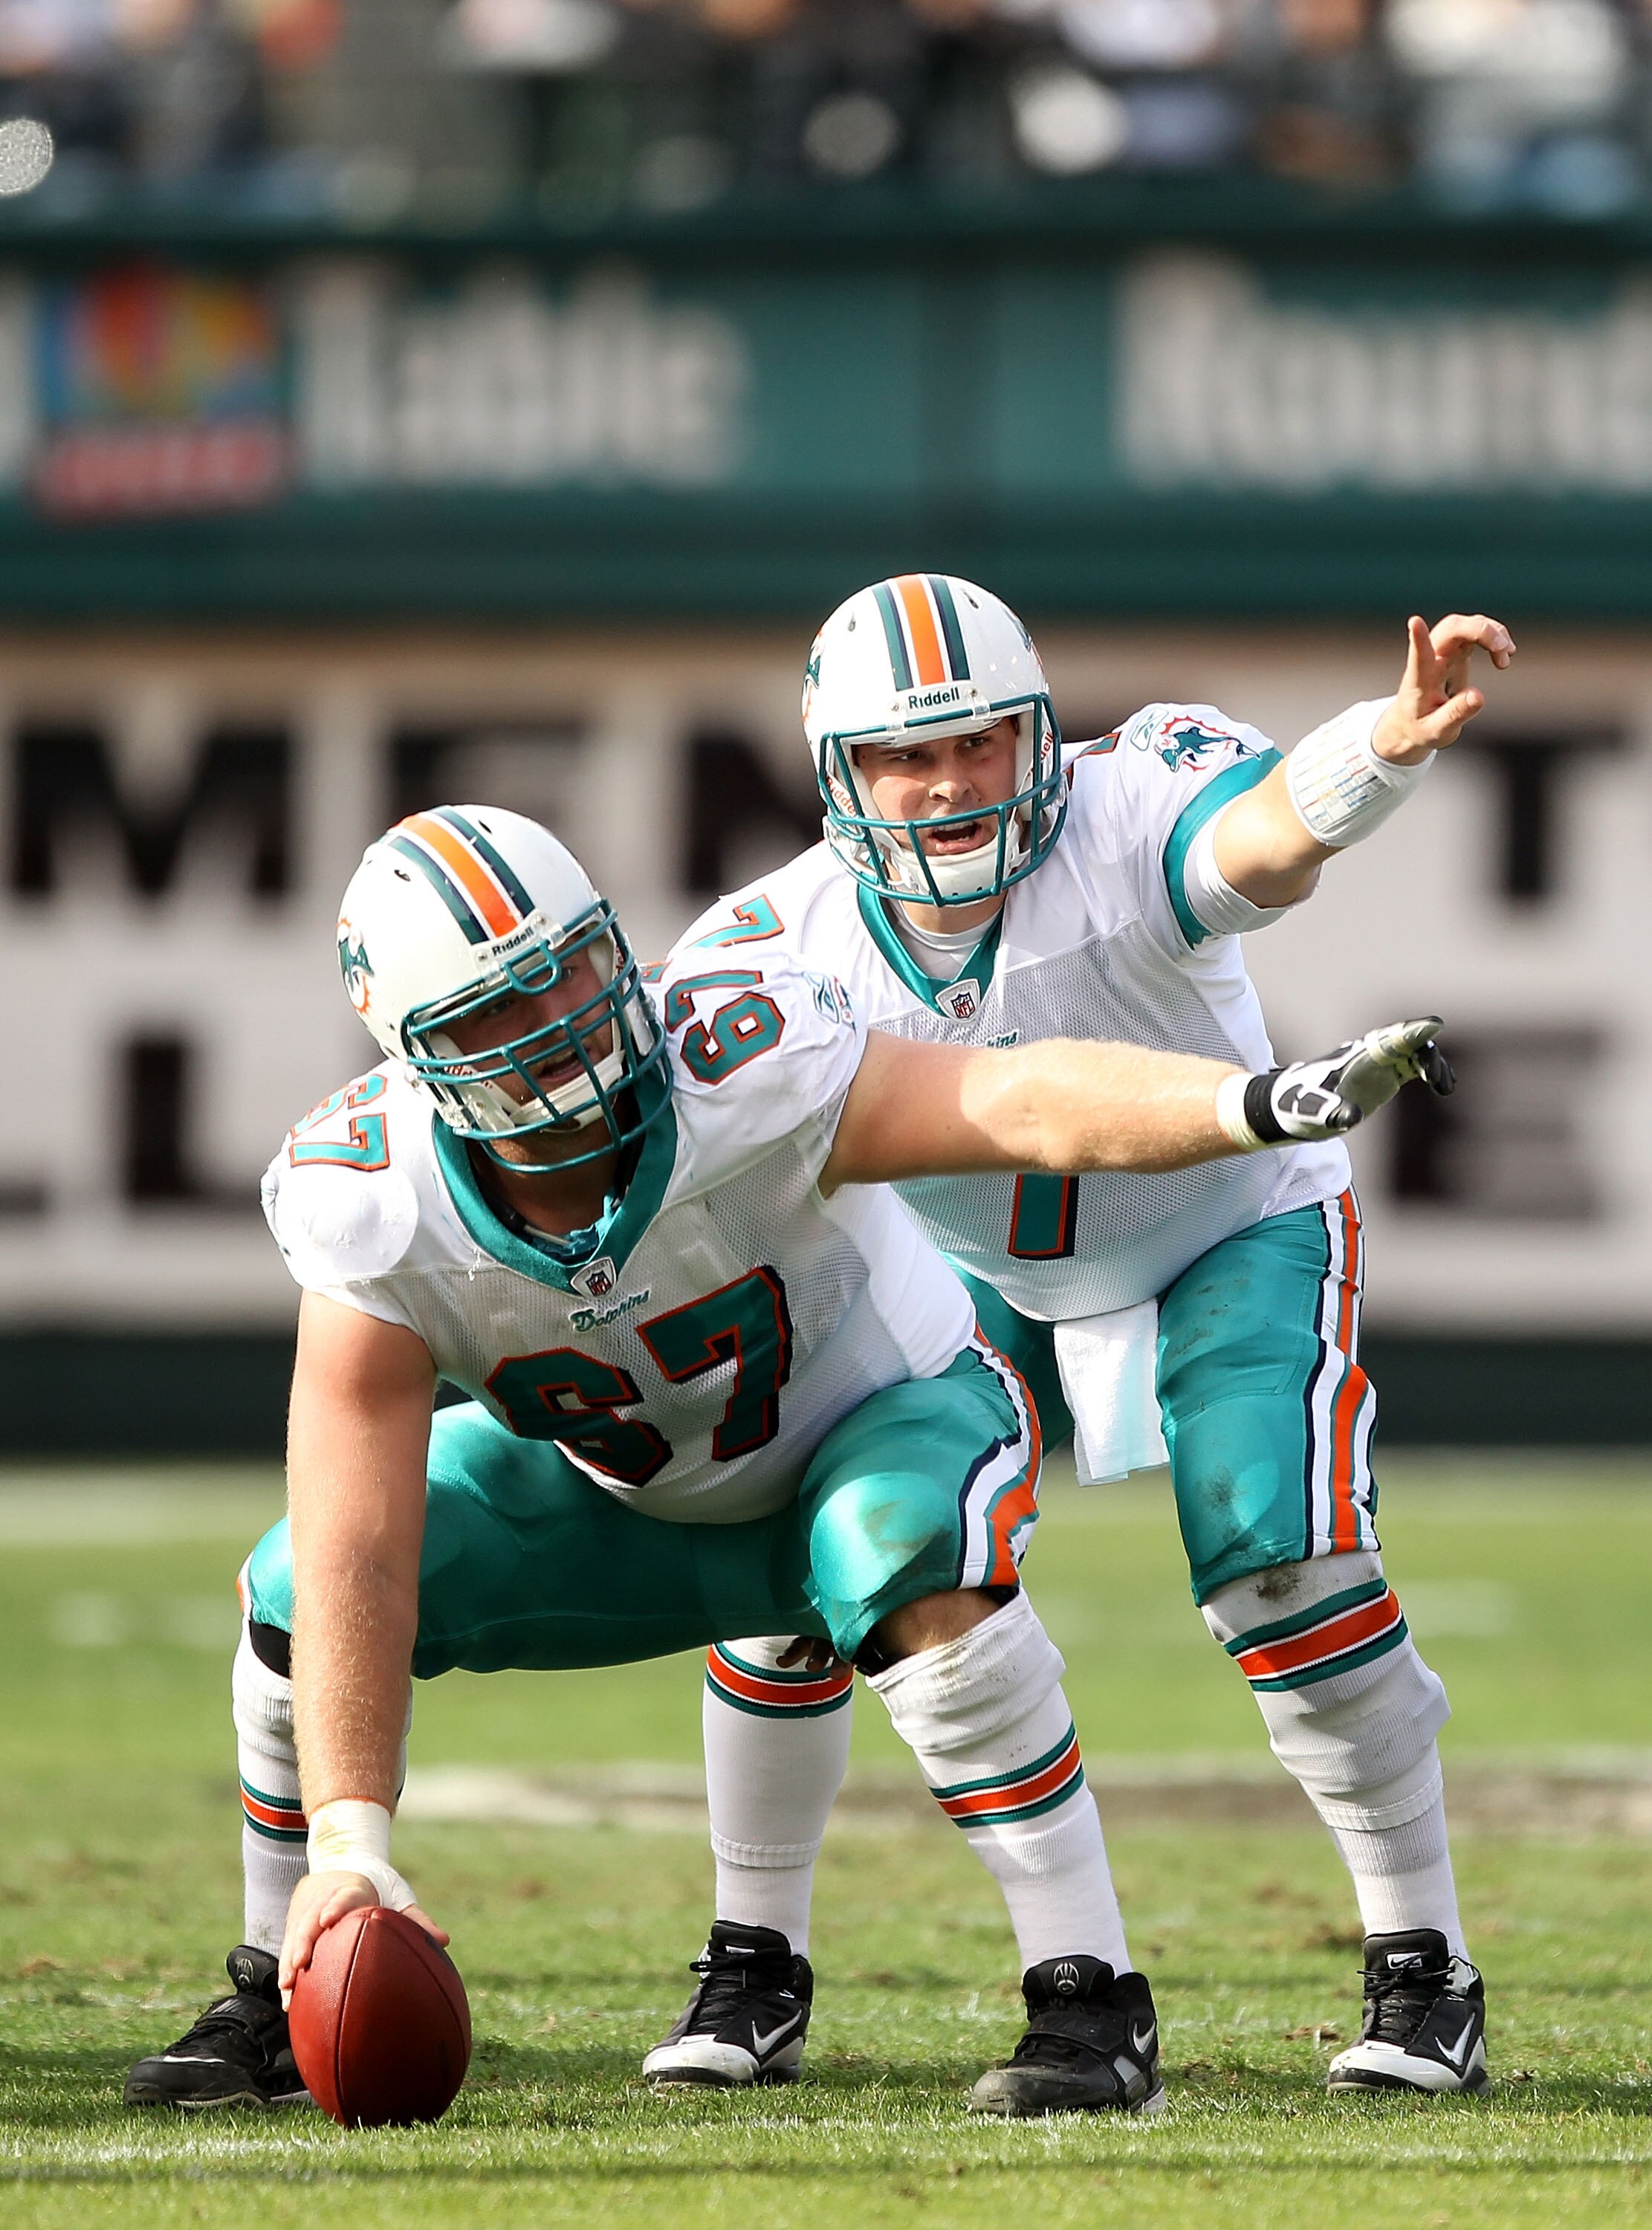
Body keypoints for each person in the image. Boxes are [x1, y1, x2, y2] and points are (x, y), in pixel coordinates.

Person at [123, 799, 1445, 2118]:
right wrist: (353, 1843)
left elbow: (1012, 1099)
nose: (562, 1023)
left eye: (576, 968)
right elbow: (359, 1541)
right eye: (493, 1015)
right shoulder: (369, 1198)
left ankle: (1088, 1995)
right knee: (295, 1581)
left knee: (888, 1541)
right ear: (414, 1053)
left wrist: (1248, 1101)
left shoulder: (739, 1057)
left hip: (885, 1423)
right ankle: (278, 1984)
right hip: (632, 1497)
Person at [673, 575, 1512, 2102]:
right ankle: (752, 1959)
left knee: (1282, 1560)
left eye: (978, 744)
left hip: (1224, 1217)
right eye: (897, 758)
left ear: (1040, 740)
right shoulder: (772, 947)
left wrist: (1382, 747)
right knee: (797, 1562)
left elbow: (1256, 834)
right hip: (950, 1263)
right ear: (832, 775)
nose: (942, 786)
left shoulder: (1129, 814)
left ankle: (1421, 1968)